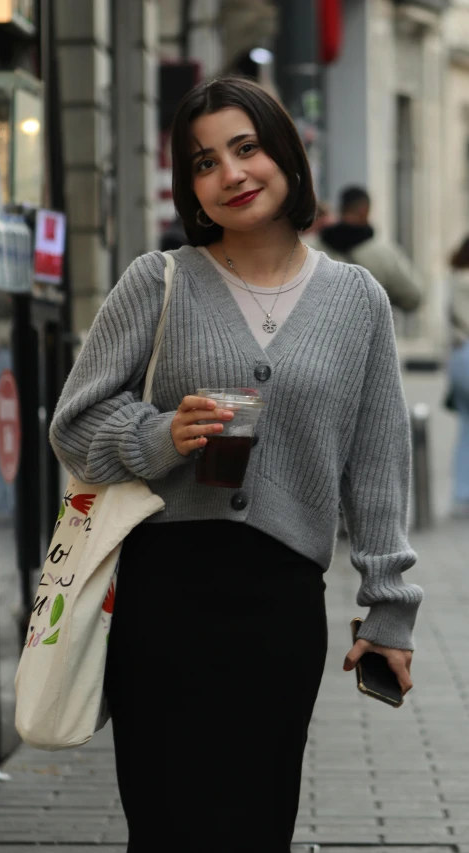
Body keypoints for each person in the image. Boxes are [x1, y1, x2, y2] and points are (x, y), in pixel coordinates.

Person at [49, 77, 422, 853]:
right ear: (190, 186)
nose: (230, 173)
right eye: (203, 161)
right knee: (163, 828)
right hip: (161, 595)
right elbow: (74, 424)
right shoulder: (158, 282)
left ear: (285, 154)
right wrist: (160, 435)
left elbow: (377, 464)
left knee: (256, 827)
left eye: (245, 148)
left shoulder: (356, 300)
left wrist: (389, 609)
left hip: (278, 605)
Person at [304, 185, 422, 312]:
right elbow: (413, 298)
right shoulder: (384, 254)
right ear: (365, 210)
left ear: (341, 209)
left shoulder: (309, 248)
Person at [447, 235, 469, 516]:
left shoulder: (454, 277)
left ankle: (462, 490)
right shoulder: (466, 280)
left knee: (466, 426)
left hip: (457, 355)